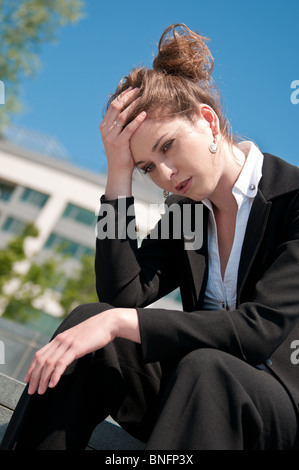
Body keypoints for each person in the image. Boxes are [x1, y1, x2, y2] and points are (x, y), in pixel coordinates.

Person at [1, 23, 299, 451]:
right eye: (147, 168)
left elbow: (260, 330)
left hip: (276, 409)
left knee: (205, 367)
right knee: (90, 322)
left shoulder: (292, 198)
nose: (164, 175)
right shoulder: (188, 213)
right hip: (190, 399)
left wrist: (119, 321)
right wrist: (118, 173)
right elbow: (121, 295)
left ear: (208, 120)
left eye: (167, 147)